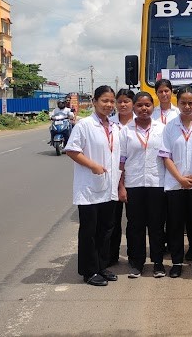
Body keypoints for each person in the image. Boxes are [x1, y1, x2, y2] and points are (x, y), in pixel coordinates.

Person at [64, 86, 121, 286]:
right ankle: (89, 271)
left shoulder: (114, 126)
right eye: (104, 100)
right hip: (89, 187)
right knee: (89, 230)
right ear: (95, 101)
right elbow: (72, 150)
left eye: (111, 101)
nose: (108, 105)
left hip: (108, 187)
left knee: (106, 230)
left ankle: (101, 266)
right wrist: (93, 165)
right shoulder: (85, 125)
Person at [159, 86, 192, 278]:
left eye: (191, 103)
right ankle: (177, 262)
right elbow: (166, 156)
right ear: (177, 103)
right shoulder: (170, 126)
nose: (187, 106)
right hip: (175, 184)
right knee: (176, 225)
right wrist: (180, 178)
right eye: (183, 103)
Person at [119, 91, 167, 279]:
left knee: (156, 225)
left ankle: (158, 263)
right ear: (134, 107)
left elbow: (167, 158)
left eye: (147, 105)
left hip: (157, 183)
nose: (143, 109)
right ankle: (136, 263)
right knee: (135, 226)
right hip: (134, 183)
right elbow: (121, 161)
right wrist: (121, 186)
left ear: (152, 107)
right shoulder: (126, 131)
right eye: (139, 105)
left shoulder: (162, 129)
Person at [108, 88, 135, 267]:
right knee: (113, 220)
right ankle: (111, 255)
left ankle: (134, 255)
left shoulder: (141, 122)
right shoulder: (109, 124)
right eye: (120, 101)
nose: (123, 104)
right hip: (113, 178)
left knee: (134, 221)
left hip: (135, 178)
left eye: (127, 101)